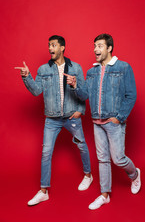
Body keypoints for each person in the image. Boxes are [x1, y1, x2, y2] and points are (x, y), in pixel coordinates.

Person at [65, 33, 141, 210]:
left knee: (118, 159)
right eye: (94, 46)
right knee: (102, 159)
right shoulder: (92, 72)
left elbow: (131, 95)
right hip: (96, 122)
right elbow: (85, 96)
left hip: (114, 121)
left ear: (109, 48)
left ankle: (135, 174)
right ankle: (104, 194)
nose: (95, 49)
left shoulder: (123, 67)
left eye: (99, 46)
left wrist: (119, 117)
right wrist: (75, 86)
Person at [15, 35, 93, 206]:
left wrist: (80, 109)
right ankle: (44, 191)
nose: (50, 48)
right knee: (46, 153)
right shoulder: (43, 70)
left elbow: (85, 94)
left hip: (71, 118)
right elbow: (36, 91)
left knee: (81, 145)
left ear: (62, 48)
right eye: (49, 45)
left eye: (54, 45)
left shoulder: (76, 68)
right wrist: (27, 77)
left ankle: (88, 175)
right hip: (52, 119)